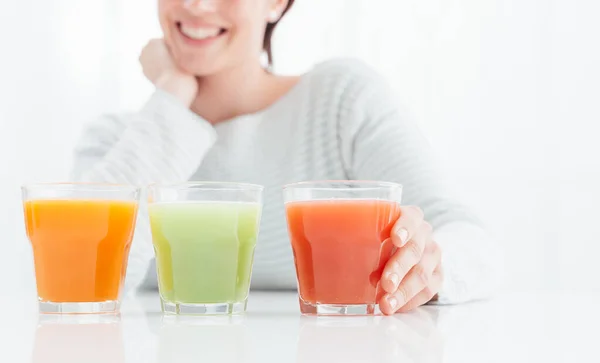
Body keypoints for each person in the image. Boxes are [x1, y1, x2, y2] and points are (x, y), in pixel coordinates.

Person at [71, 0, 499, 314]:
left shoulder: (341, 101)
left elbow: (471, 240)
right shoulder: (119, 140)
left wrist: (430, 263)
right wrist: (173, 93)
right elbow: (80, 279)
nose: (197, 5)